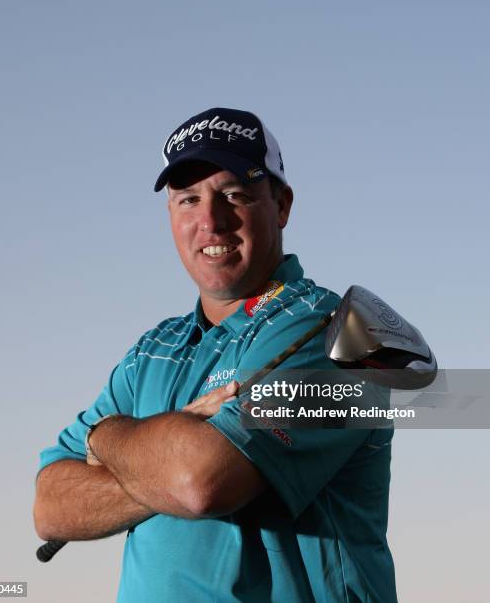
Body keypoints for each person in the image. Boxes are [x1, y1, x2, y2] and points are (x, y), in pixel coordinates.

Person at [34, 107, 397, 602]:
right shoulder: (152, 352)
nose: (210, 220)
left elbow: (200, 482)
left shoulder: (332, 333)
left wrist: (106, 437)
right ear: (170, 215)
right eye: (188, 199)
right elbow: (50, 507)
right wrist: (164, 451)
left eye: (234, 194)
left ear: (282, 205)